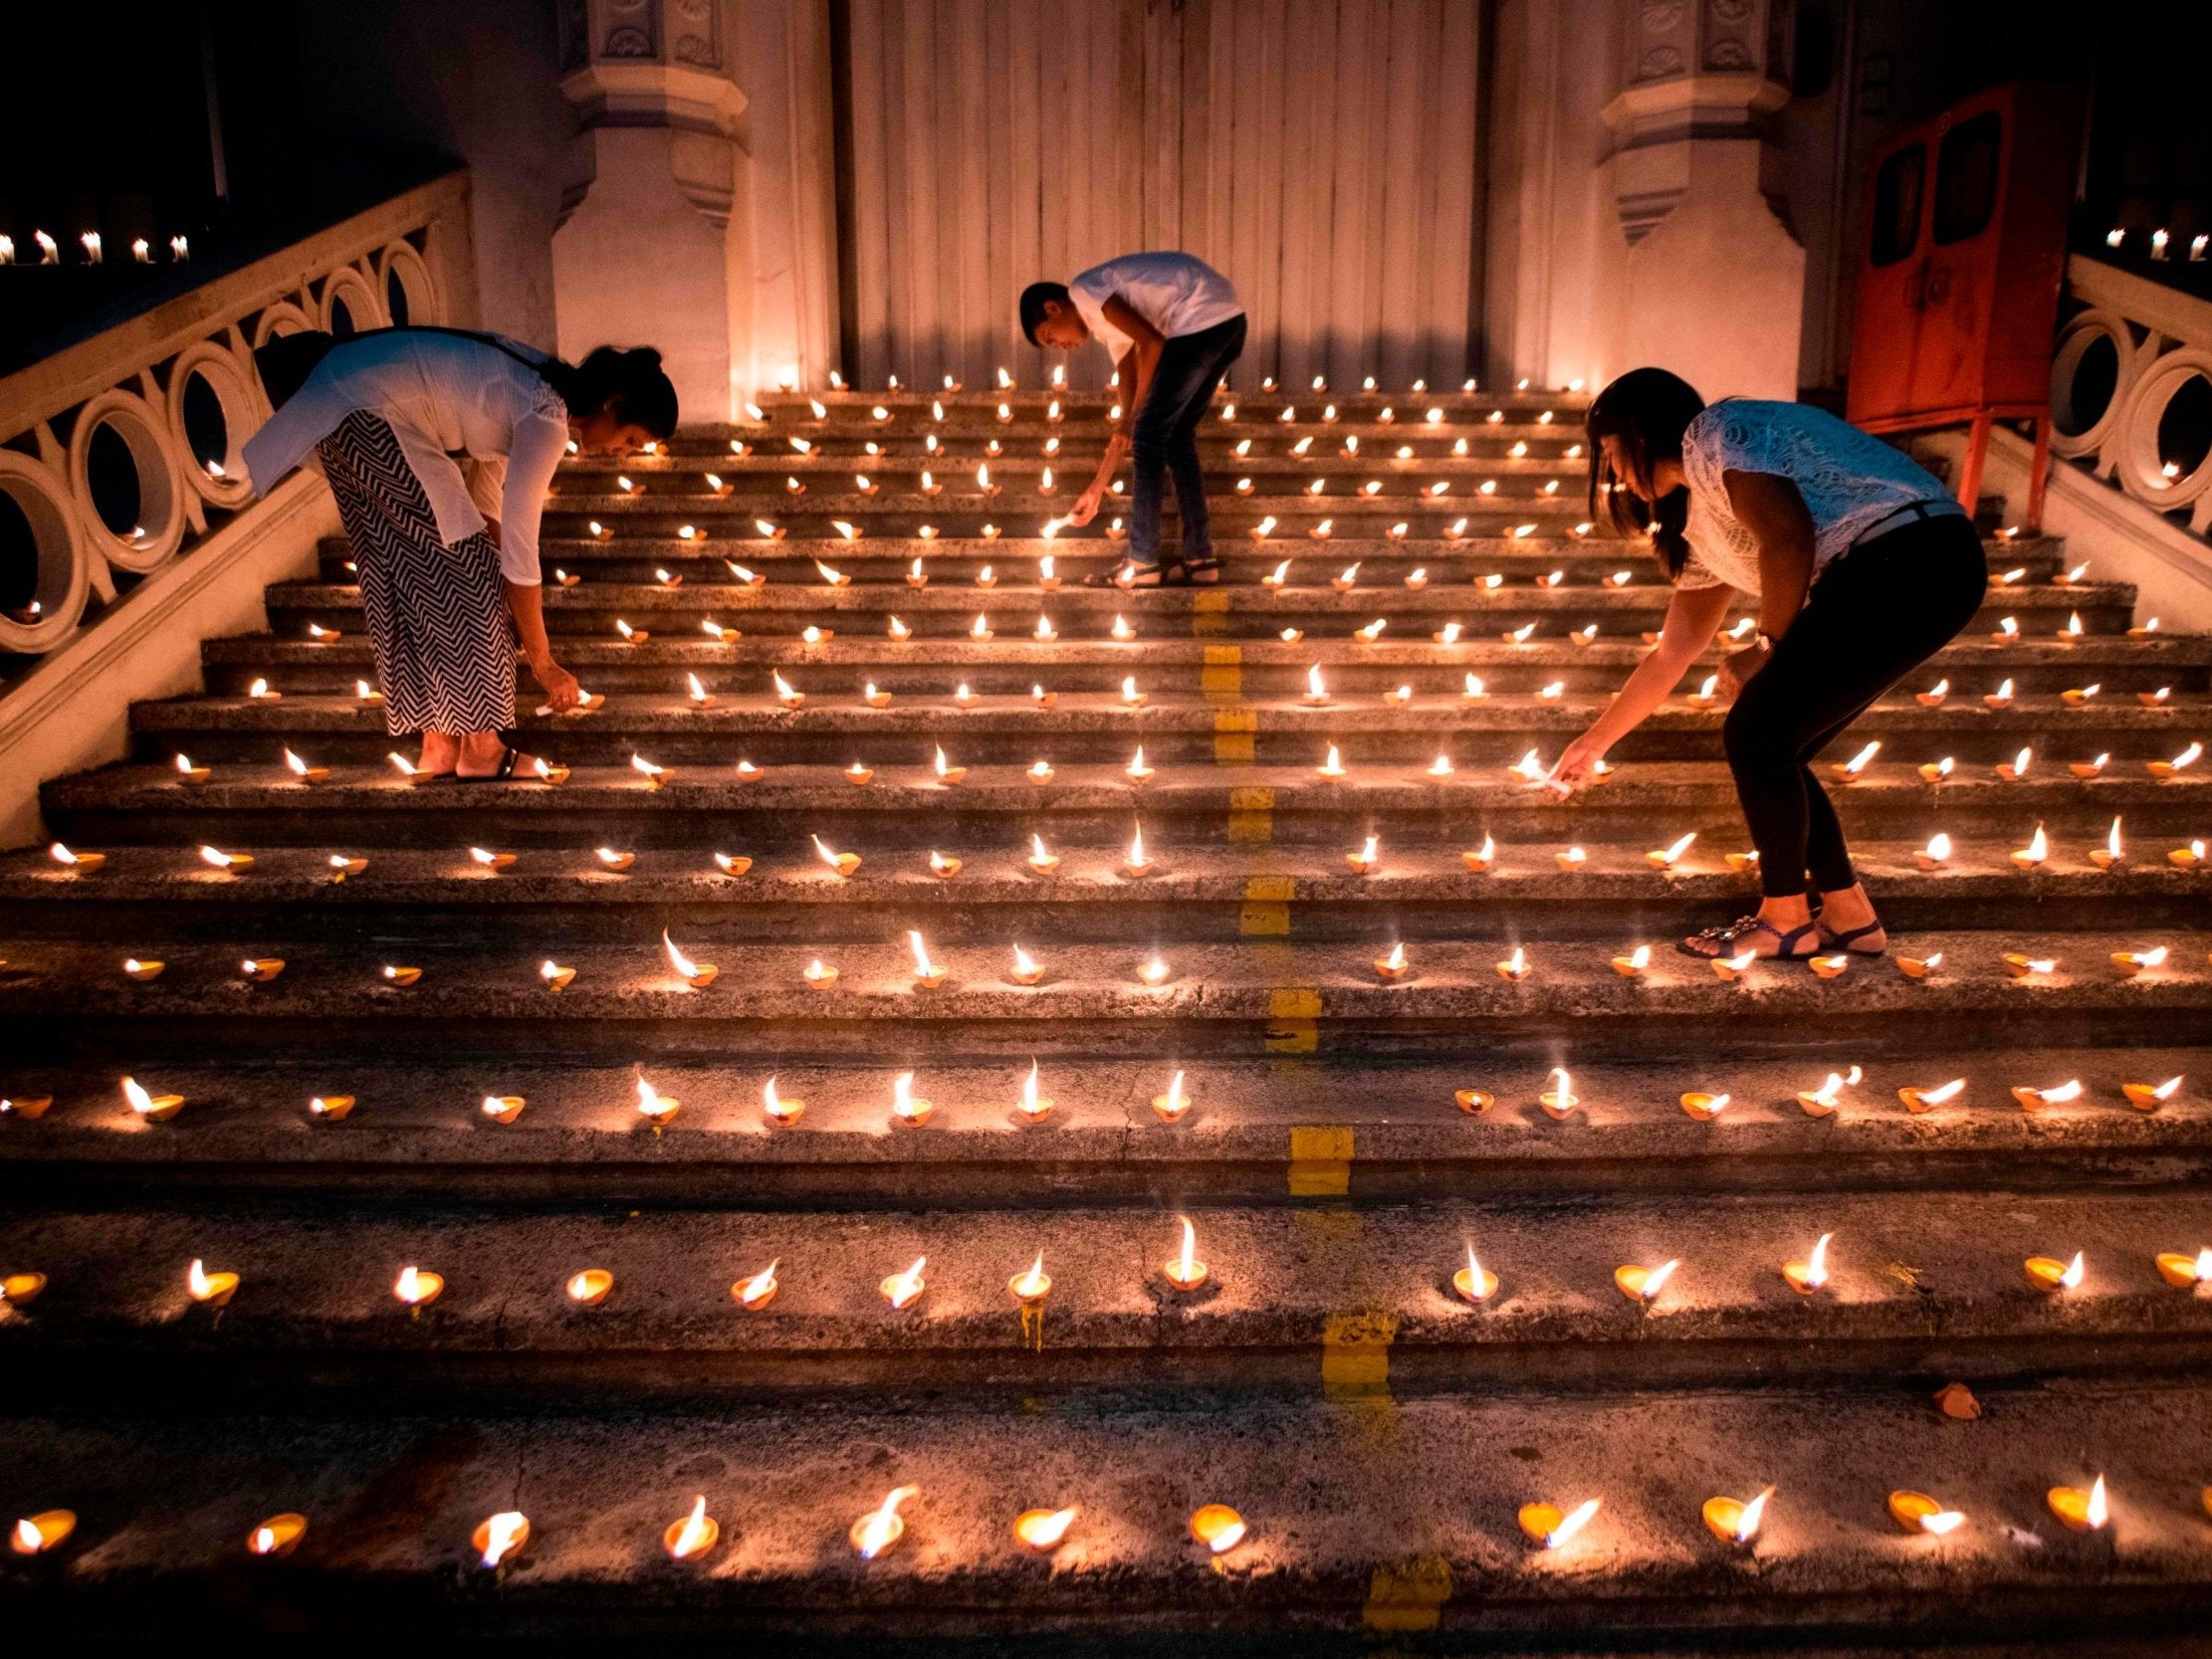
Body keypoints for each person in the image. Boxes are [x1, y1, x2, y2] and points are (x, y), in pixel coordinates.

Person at [1549, 367, 1987, 959]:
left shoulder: (1716, 433)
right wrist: (1596, 741)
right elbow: (1674, 651)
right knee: (1778, 744)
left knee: (1757, 736)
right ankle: (1849, 915)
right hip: (1922, 568)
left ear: (1639, 432)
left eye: (1610, 452)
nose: (1616, 474)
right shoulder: (1703, 523)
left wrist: (1766, 648)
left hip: (1907, 557)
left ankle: (1785, 919)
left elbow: (1788, 536)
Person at [243, 330, 676, 779]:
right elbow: (521, 549)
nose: (622, 453)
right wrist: (543, 663)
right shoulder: (546, 416)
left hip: (341, 404)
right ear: (614, 404)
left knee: (417, 570)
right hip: (367, 412)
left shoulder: (539, 390)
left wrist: (491, 581)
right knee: (471, 572)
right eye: (629, 440)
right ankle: (482, 747)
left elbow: (487, 501)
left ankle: (440, 744)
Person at [1019, 252, 1245, 586]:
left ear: (1053, 308)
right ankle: (1201, 560)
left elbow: (1152, 342)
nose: (1060, 347)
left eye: (1051, 337)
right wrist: (1097, 488)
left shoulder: (1084, 291)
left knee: (1150, 435)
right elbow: (1128, 400)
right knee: (1176, 436)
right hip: (1228, 323)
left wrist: (1134, 423)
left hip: (1200, 321)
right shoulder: (1108, 329)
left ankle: (1142, 562)